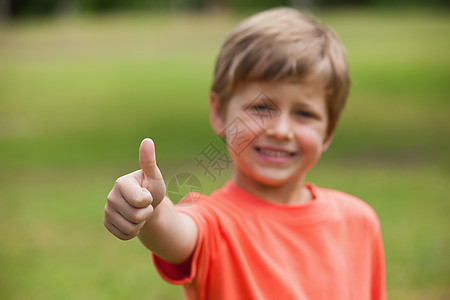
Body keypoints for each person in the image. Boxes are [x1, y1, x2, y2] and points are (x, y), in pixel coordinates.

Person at [103, 7, 386, 300]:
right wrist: (152, 210)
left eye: (304, 113)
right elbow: (174, 231)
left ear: (328, 131)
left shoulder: (360, 222)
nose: (281, 130)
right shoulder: (213, 223)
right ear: (219, 113)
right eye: (261, 108)